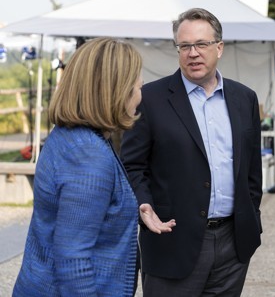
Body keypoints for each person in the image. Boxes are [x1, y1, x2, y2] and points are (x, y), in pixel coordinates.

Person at [121, 8, 263, 296]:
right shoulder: (150, 99)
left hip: (232, 244)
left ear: (219, 48)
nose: (193, 53)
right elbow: (131, 166)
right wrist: (143, 205)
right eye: (184, 46)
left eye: (201, 44)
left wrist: (252, 218)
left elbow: (252, 171)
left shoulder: (244, 98)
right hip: (172, 243)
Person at [13, 38, 168, 296]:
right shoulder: (89, 156)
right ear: (116, 92)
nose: (140, 96)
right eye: (137, 87)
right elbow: (73, 260)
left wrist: (128, 206)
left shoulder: (69, 135)